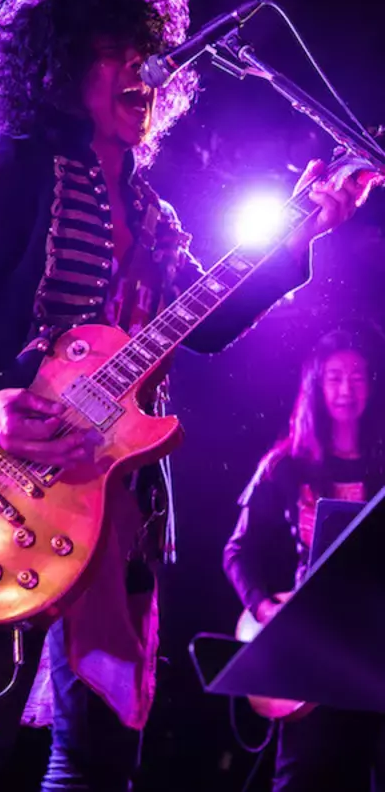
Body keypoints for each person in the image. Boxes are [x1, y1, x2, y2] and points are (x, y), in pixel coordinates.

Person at [0, 0, 374, 792]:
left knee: (99, 758)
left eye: (150, 54)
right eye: (117, 52)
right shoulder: (15, 164)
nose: (144, 71)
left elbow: (206, 325)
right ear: (62, 65)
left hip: (116, 505)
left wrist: (307, 229)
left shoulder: (154, 212)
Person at [224, 326, 385, 791]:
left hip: (375, 644)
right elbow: (238, 551)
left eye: (357, 376)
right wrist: (263, 608)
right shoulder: (286, 464)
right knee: (304, 775)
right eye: (334, 377)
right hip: (312, 647)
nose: (346, 389)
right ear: (316, 385)